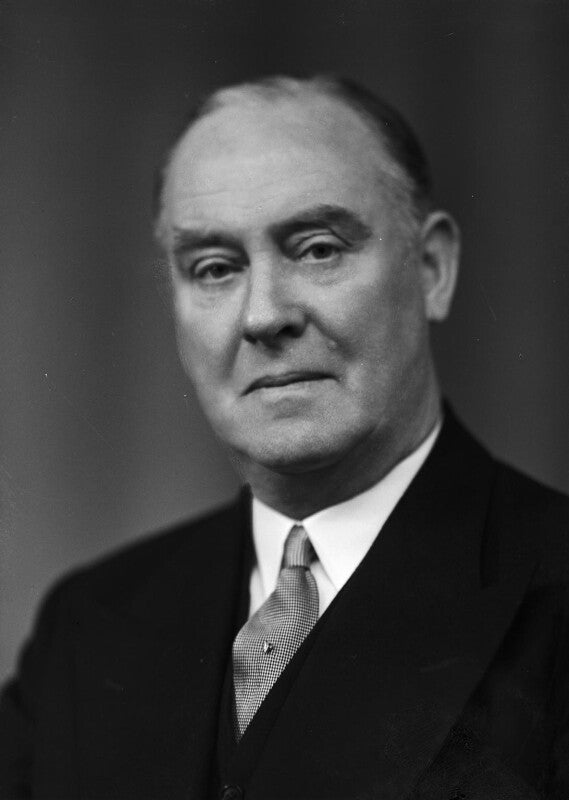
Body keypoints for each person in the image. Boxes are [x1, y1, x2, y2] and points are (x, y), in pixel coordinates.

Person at [1, 74, 568, 800]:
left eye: (318, 250)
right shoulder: (89, 627)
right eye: (214, 268)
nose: (263, 315)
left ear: (432, 269)